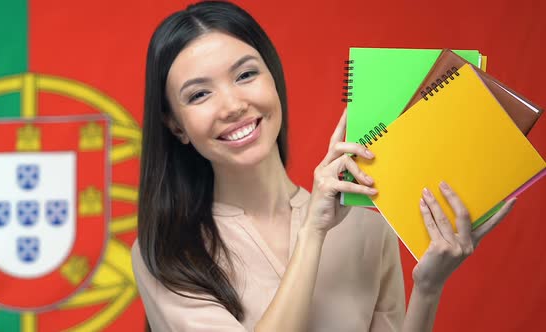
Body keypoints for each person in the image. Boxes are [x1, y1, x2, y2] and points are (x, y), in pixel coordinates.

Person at [131, 1, 516, 331]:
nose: (232, 105)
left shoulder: (366, 220)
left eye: (246, 74)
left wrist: (429, 286)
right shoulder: (166, 253)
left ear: (274, 79)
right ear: (175, 125)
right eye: (199, 94)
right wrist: (313, 233)